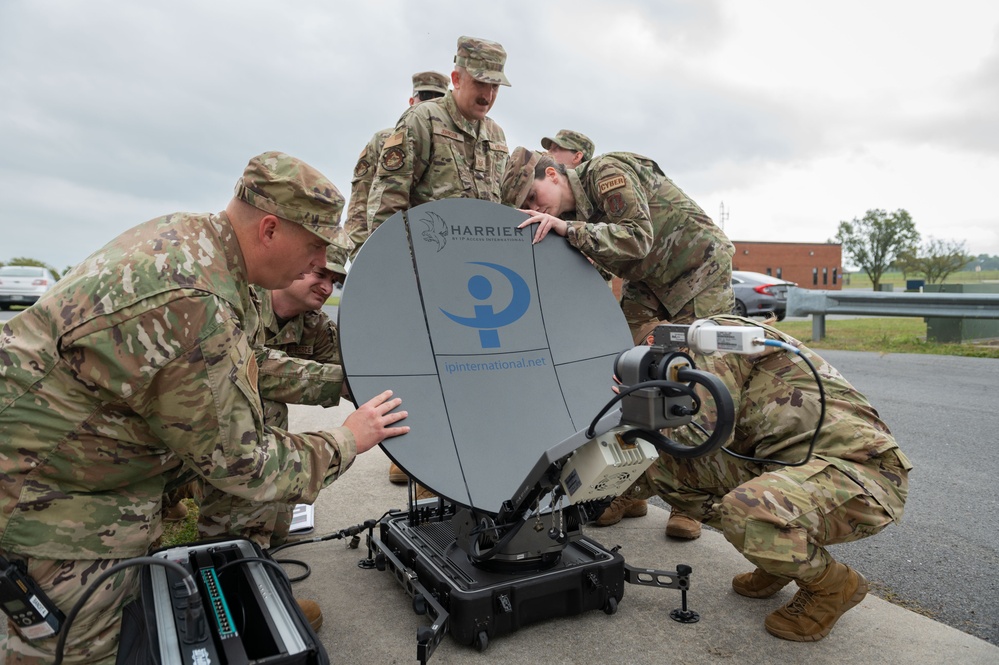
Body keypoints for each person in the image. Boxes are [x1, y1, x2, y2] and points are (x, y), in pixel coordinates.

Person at [0, 152, 410, 664]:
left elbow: (245, 362)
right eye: (314, 250)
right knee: (70, 652)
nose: (316, 267)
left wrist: (342, 383)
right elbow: (244, 465)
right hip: (53, 496)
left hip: (71, 469)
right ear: (269, 229)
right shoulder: (197, 302)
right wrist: (349, 438)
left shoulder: (195, 243)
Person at [627, 315, 911, 642]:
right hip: (790, 465)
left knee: (744, 512)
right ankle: (780, 560)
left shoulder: (713, 340)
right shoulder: (695, 344)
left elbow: (696, 430)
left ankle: (833, 586)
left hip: (862, 473)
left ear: (653, 344)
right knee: (666, 470)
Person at [501, 147, 736, 535]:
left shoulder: (606, 173)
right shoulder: (570, 214)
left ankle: (689, 503)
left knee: (692, 383)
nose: (534, 207)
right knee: (622, 368)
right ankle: (633, 486)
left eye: (532, 195)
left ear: (553, 174)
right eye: (525, 205)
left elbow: (637, 239)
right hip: (649, 282)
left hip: (698, 269)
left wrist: (568, 230)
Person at [196, 238, 352, 553]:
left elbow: (349, 376)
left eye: (334, 282)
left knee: (281, 529)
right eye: (320, 275)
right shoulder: (242, 301)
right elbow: (249, 369)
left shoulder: (315, 326)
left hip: (227, 444)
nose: (326, 288)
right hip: (196, 422)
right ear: (299, 266)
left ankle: (260, 538)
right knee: (265, 408)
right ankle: (235, 551)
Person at [363, 35, 511, 238]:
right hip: (429, 257)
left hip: (481, 262)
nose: (488, 96)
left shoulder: (496, 135)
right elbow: (388, 201)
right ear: (457, 79)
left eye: (495, 86)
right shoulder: (423, 119)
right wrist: (393, 260)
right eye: (480, 83)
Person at [344, 70, 450, 257]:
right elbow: (359, 207)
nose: (430, 104)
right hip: (396, 251)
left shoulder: (453, 144)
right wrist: (362, 257)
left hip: (439, 250)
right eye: (425, 96)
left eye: (438, 98)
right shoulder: (384, 140)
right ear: (411, 102)